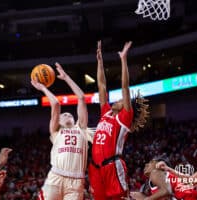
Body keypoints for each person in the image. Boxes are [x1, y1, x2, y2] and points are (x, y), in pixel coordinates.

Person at [89, 41, 149, 199]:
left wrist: (123, 59)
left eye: (122, 101)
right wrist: (100, 62)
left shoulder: (124, 118)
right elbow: (101, 85)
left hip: (112, 166)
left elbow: (125, 87)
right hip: (96, 168)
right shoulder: (106, 112)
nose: (118, 100)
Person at [32, 62, 89, 200]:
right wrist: (43, 88)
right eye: (64, 115)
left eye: (70, 114)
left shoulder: (81, 128)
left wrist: (66, 77)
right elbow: (56, 104)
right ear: (58, 121)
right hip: (55, 177)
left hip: (76, 181)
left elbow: (81, 98)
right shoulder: (56, 132)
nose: (67, 114)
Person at [130, 158, 197, 200]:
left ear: (158, 165)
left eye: (150, 162)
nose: (146, 164)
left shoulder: (155, 173)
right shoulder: (165, 177)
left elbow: (166, 191)